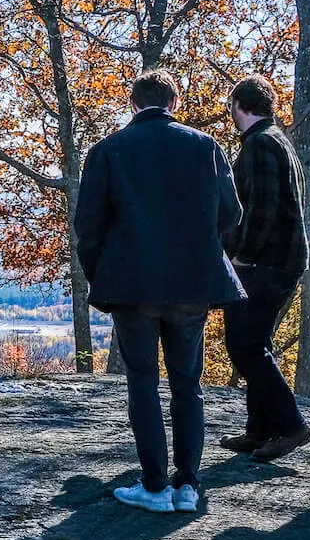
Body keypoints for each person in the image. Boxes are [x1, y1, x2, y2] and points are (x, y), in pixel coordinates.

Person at [75, 69, 243, 514]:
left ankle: (154, 485)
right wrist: (203, 254)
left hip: (133, 285)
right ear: (176, 101)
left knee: (143, 382)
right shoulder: (205, 146)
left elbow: (87, 227)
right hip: (192, 285)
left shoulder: (108, 150)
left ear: (133, 103)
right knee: (188, 383)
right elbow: (231, 214)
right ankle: (188, 484)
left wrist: (103, 277)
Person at [220, 75, 310, 463]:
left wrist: (243, 254)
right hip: (282, 259)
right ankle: (258, 430)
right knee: (254, 343)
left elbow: (262, 207)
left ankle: (290, 426)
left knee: (244, 344)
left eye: (230, 106)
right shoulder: (278, 141)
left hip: (266, 261)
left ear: (240, 105)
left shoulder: (259, 144)